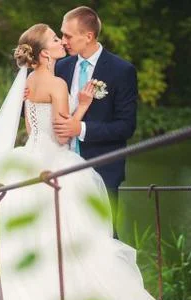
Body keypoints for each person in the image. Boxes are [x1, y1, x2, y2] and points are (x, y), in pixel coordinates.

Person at [0, 23, 167, 300]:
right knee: (68, 240)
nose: (60, 42)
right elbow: (63, 134)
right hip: (55, 162)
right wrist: (83, 107)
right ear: (44, 53)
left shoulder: (30, 84)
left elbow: (30, 129)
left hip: (28, 159)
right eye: (54, 39)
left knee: (22, 237)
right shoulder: (57, 84)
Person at [52, 6, 138, 238]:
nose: (63, 41)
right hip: (62, 168)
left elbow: (126, 126)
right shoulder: (61, 67)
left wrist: (81, 128)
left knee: (104, 238)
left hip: (102, 170)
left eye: (67, 35)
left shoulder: (122, 71)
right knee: (65, 237)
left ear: (88, 36)